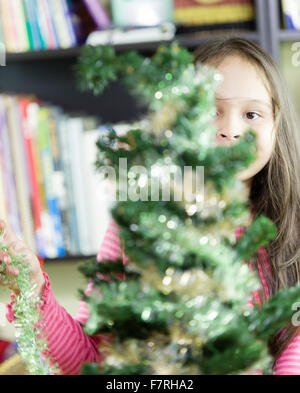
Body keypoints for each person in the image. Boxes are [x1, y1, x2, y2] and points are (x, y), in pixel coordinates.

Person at [1, 37, 300, 375]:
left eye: (251, 113)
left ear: (276, 126)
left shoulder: (293, 230)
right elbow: (93, 363)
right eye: (212, 110)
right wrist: (33, 289)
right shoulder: (139, 225)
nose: (231, 130)